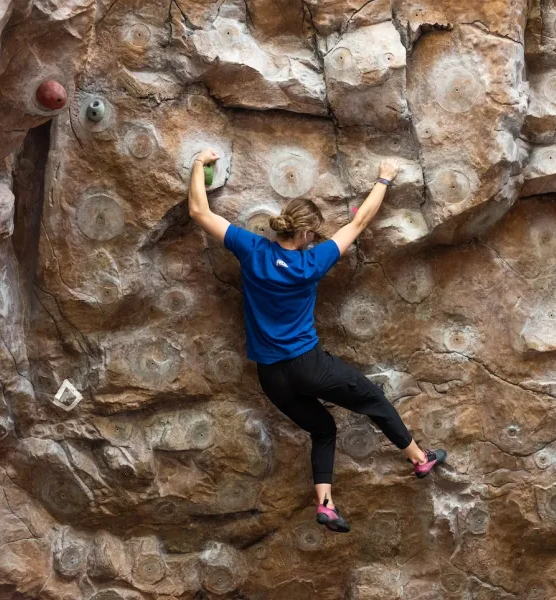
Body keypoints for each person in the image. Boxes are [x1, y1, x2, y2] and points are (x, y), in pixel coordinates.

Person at [187, 148, 447, 533]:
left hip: (270, 377)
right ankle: (419, 458)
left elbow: (199, 212)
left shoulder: (251, 248)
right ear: (307, 234)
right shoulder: (311, 262)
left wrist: (197, 164)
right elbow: (359, 225)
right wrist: (384, 178)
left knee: (323, 428)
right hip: (308, 366)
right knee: (372, 400)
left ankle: (325, 504)